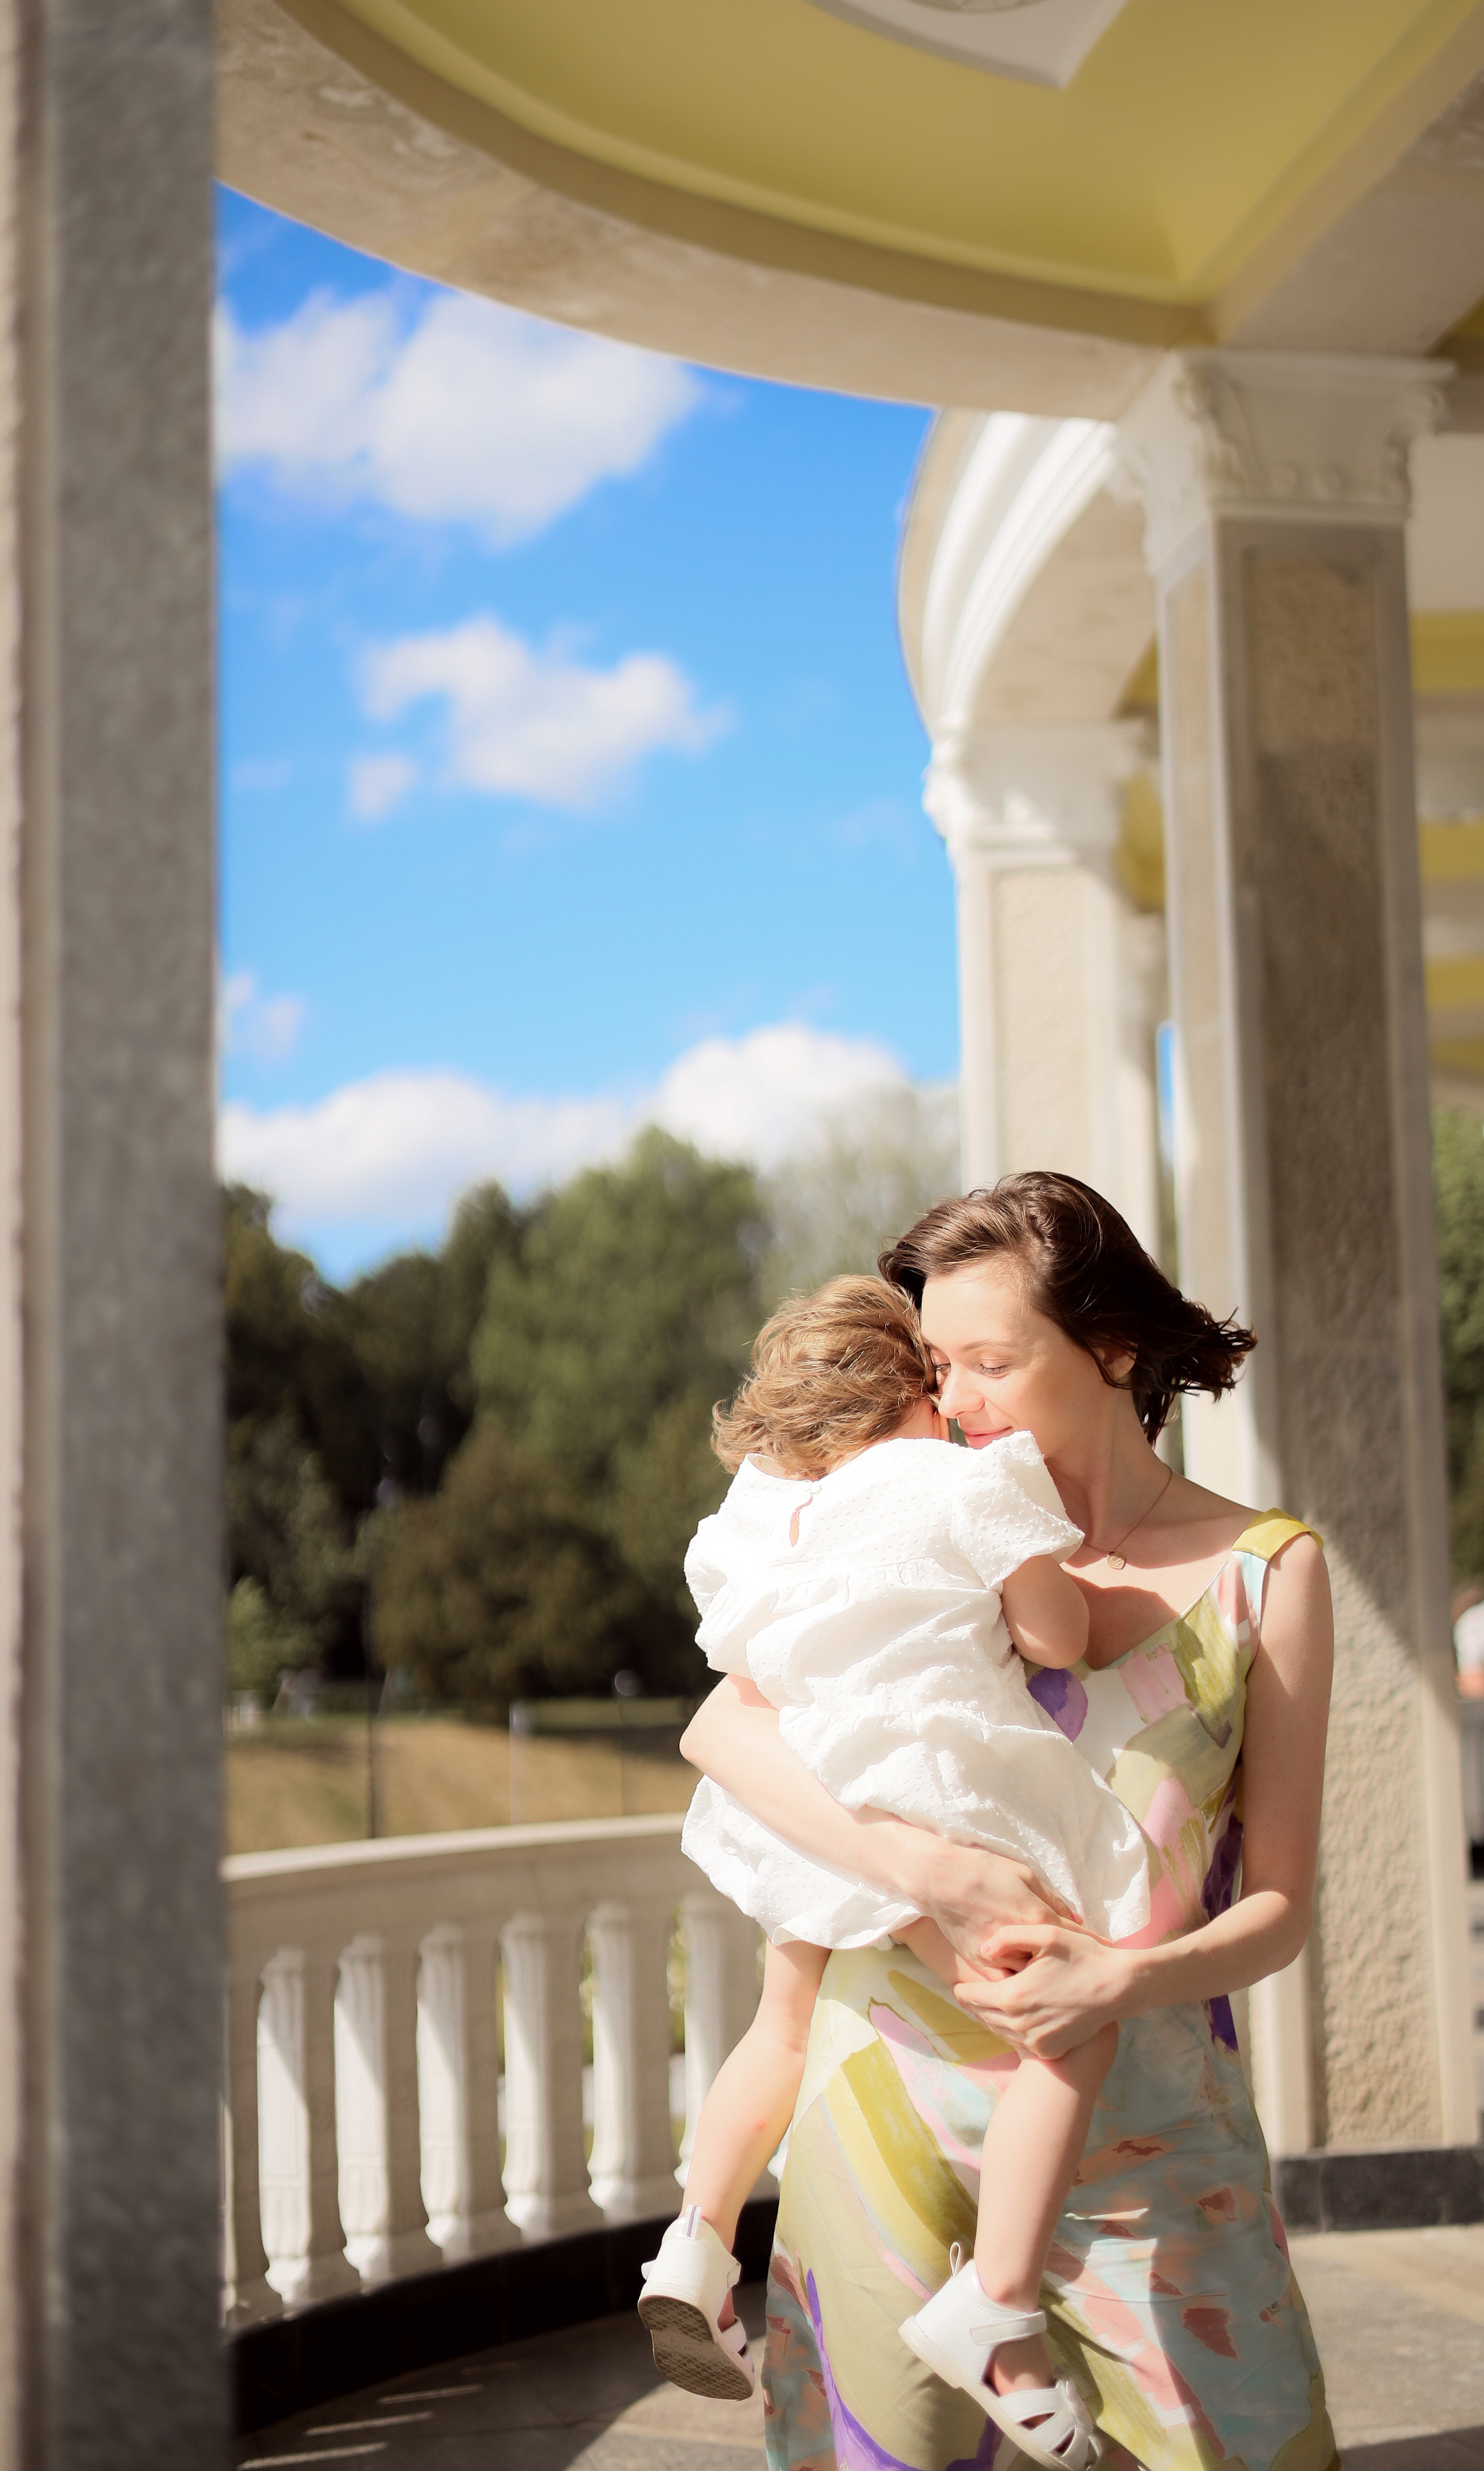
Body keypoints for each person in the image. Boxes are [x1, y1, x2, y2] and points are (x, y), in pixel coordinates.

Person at [680, 1173, 1338, 2471]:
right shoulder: (905, 1530)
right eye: (938, 1361)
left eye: (991, 1360)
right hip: (884, 2132)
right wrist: (922, 1867)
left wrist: (1123, 1973)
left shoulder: (1267, 1570)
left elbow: (1280, 1907)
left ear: (1111, 1346)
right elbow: (717, 1731)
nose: (956, 1400)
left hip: (1157, 2157)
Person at [638, 1275, 1150, 2470]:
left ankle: (694, 2242)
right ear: (920, 1386)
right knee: (1067, 2031)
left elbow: (736, 1663)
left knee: (779, 2022)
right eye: (948, 1377)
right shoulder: (970, 1481)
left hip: (801, 1798)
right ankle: (1001, 2304)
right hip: (923, 1792)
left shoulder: (772, 1519)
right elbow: (1058, 1637)